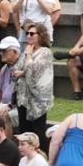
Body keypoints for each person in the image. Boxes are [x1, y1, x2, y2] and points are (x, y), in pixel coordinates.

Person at [14, 24, 53, 152]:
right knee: (24, 132)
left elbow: (34, 72)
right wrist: (24, 69)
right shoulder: (26, 50)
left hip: (37, 101)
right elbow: (15, 70)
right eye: (27, 33)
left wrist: (28, 59)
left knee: (38, 133)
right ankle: (25, 158)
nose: (28, 36)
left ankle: (43, 159)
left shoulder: (45, 52)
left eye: (32, 33)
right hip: (23, 98)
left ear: (41, 36)